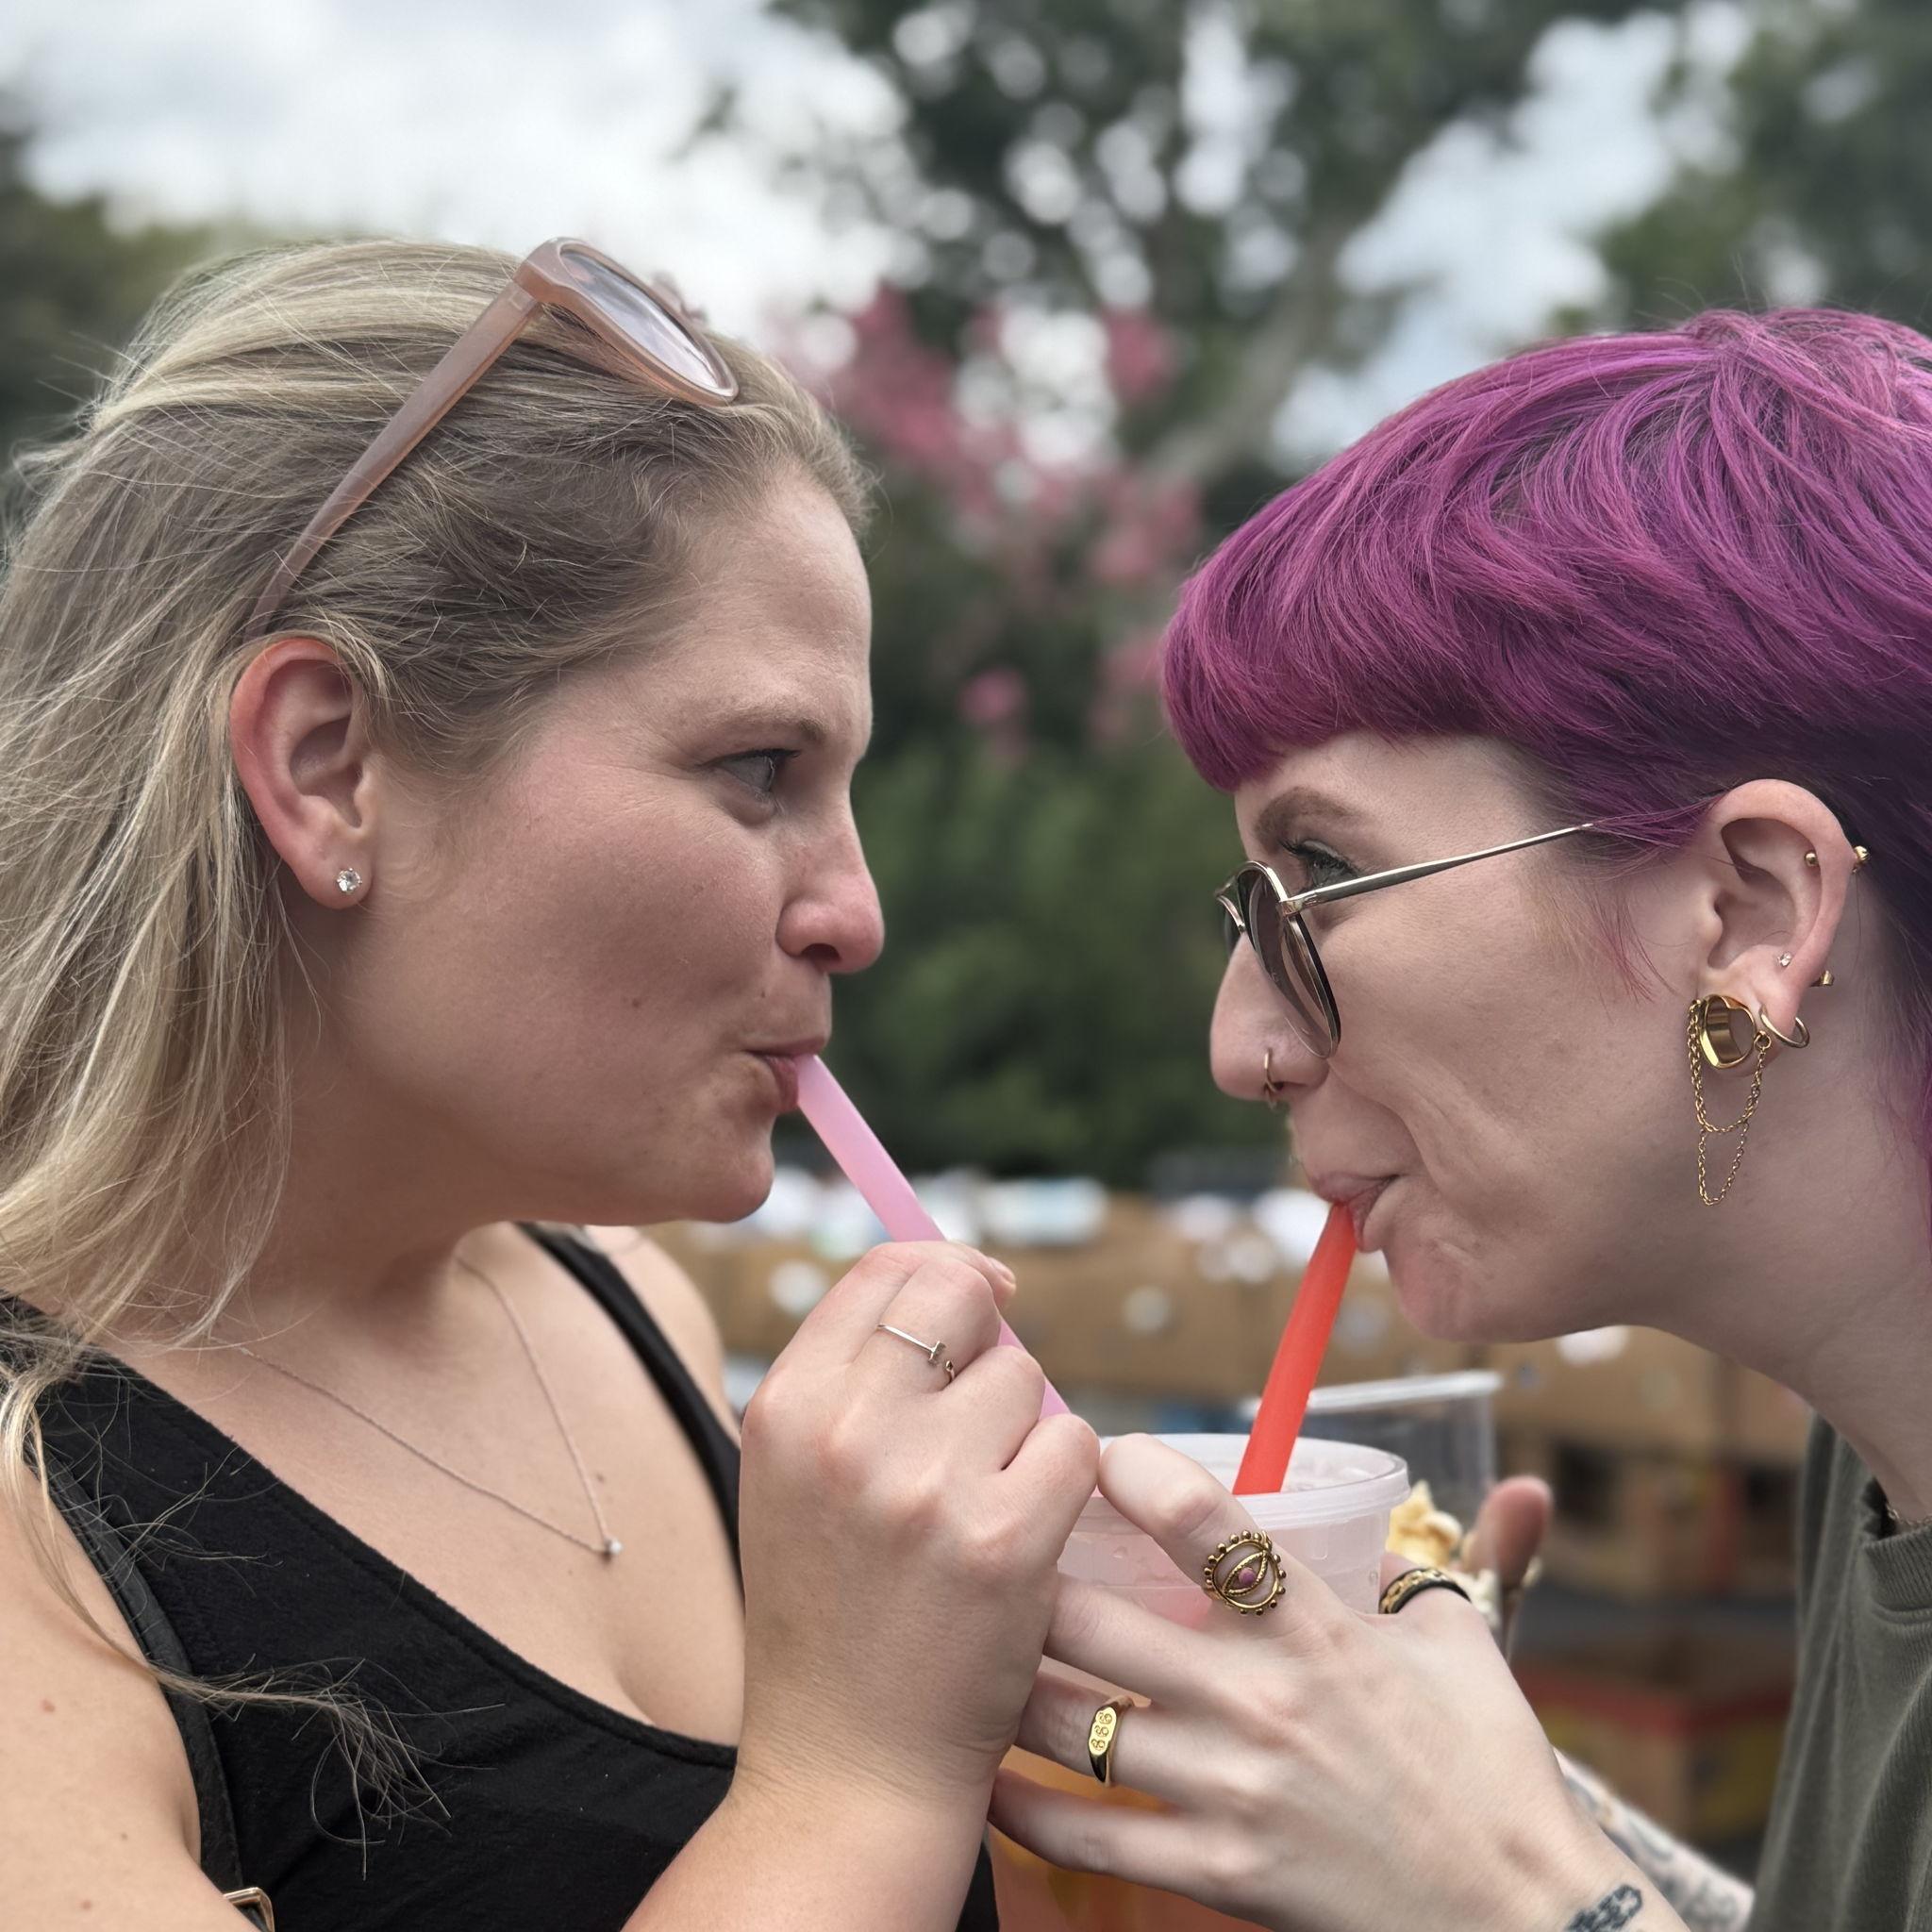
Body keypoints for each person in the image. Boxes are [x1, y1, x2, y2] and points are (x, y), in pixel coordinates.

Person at [0, 237, 1099, 1929]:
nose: (856, 913)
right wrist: (860, 1774)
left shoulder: (628, 1312)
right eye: (759, 769)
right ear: (327, 767)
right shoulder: (37, 1512)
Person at [986, 309, 1932, 1932]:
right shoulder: (1880, 1436)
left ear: (1752, 912)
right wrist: (1432, 1790)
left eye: (1324, 876)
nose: (1242, 1046)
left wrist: (1511, 1893)